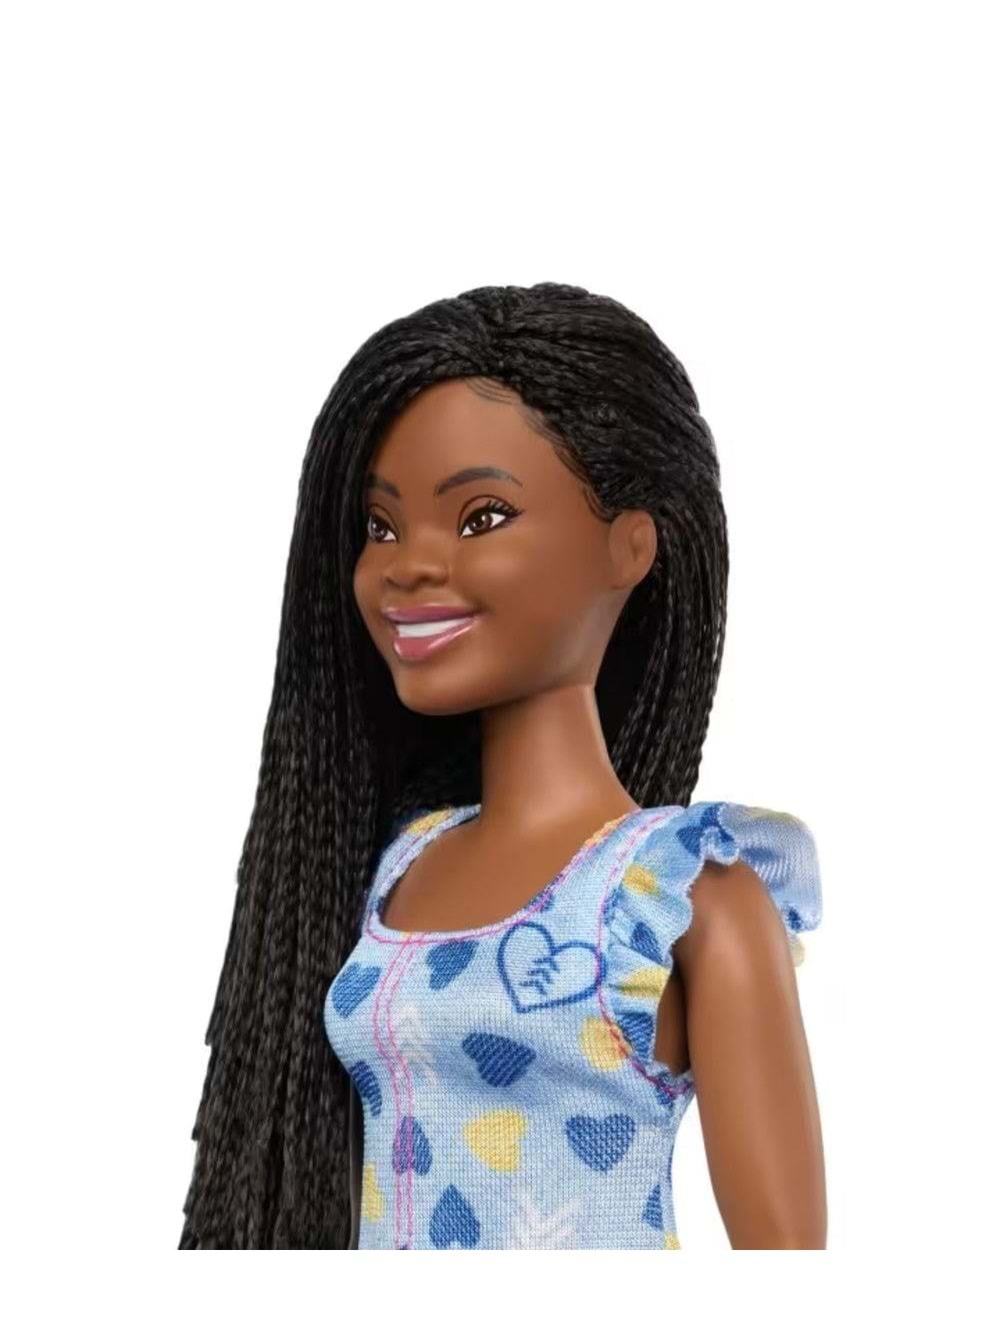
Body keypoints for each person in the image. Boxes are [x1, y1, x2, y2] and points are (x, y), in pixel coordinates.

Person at [179, 282, 824, 1250]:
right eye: (382, 527)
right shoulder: (398, 865)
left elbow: (790, 1265)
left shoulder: (685, 894)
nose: (406, 565)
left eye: (481, 517)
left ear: (629, 547)